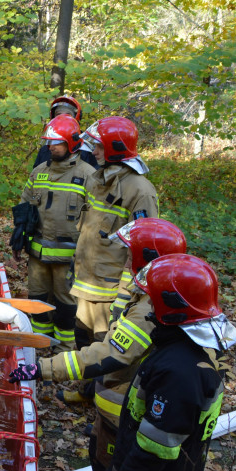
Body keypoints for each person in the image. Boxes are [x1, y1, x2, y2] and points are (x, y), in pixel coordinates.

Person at [9, 218, 188, 471]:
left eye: (131, 253)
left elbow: (111, 354)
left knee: (114, 469)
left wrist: (43, 369)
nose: (126, 258)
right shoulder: (146, 289)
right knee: (101, 458)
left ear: (146, 257)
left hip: (124, 408)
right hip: (113, 400)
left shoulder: (149, 307)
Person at [103, 253, 236, 471]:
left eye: (153, 301)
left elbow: (156, 447)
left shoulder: (178, 371)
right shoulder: (191, 349)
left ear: (170, 307)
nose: (149, 307)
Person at [70, 117, 159, 353]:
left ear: (116, 148)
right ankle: (83, 382)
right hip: (86, 284)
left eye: (100, 146)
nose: (94, 152)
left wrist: (125, 295)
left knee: (105, 349)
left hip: (111, 293)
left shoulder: (140, 191)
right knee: (83, 342)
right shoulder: (97, 181)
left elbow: (144, 251)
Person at [10, 114, 95, 349]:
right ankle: (40, 345)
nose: (51, 147)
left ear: (72, 143)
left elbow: (96, 220)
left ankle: (64, 349)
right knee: (37, 301)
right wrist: (18, 239)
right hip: (38, 253)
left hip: (69, 258)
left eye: (57, 143)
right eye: (49, 142)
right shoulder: (39, 171)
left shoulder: (88, 175)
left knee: (66, 305)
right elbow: (25, 207)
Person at [34, 96, 98, 168]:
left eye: (68, 115)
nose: (62, 118)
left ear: (76, 117)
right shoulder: (46, 149)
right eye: (58, 114)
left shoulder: (88, 149)